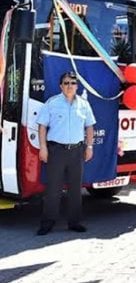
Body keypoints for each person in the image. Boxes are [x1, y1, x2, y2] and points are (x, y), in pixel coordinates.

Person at [36, 71, 95, 235]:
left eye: (72, 83)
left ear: (77, 86)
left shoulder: (84, 104)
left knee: (76, 189)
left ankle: (74, 222)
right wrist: (43, 147)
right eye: (66, 83)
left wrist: (89, 147)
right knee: (53, 189)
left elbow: (89, 126)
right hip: (56, 151)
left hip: (77, 151)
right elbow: (42, 126)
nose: (70, 86)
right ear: (61, 86)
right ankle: (47, 223)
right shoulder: (52, 103)